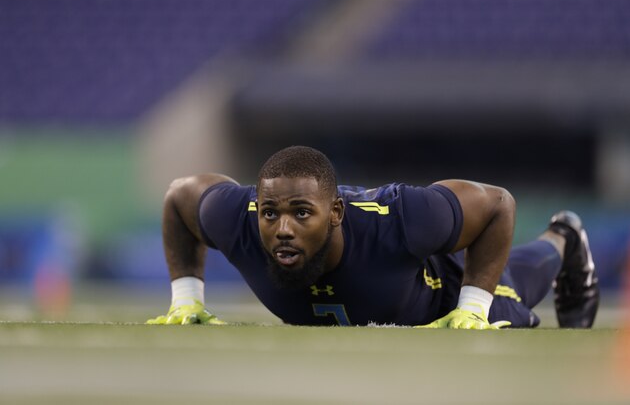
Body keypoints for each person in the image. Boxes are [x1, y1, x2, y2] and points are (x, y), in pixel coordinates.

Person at [147, 145, 599, 329]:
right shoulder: (238, 218)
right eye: (271, 213)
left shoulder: (403, 218)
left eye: (302, 213)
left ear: (336, 213)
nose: (282, 229)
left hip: (438, 294)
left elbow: (499, 203)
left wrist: (474, 306)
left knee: (512, 300)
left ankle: (565, 237)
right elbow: (177, 197)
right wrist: (186, 299)